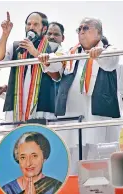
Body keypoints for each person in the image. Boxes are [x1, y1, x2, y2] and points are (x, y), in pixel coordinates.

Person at [38, 17, 121, 170]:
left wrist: (99, 53)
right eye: (79, 29)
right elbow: (55, 64)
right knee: (72, 165)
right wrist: (47, 59)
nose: (81, 32)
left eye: (86, 28)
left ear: (99, 32)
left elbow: (110, 62)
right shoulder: (70, 53)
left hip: (96, 118)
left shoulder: (110, 50)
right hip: (73, 120)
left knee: (99, 164)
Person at [0, 12, 59, 122]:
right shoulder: (17, 46)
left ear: (44, 29)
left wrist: (35, 52)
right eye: (29, 24)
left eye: (35, 24)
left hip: (42, 110)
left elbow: (56, 75)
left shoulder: (54, 48)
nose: (31, 27)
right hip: (15, 110)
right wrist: (5, 34)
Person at [0, 21, 65, 97]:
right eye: (49, 34)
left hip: (54, 103)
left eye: (56, 34)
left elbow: (57, 76)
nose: (52, 37)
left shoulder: (66, 54)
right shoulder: (34, 50)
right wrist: (9, 88)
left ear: (63, 38)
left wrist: (36, 53)